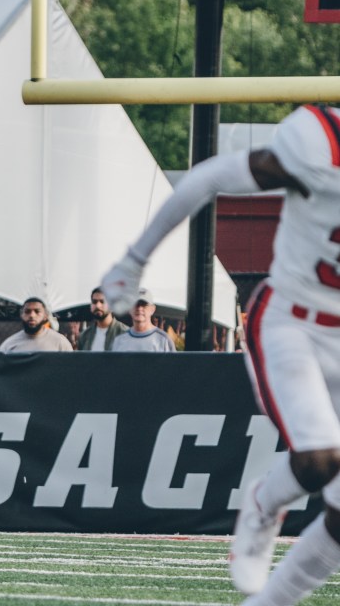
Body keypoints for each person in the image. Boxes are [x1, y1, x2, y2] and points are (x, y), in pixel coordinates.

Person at [101, 104, 340, 604]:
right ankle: (263, 502)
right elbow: (210, 176)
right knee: (321, 459)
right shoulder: (321, 142)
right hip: (292, 322)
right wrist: (133, 261)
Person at [111, 288, 175, 353]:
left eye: (144, 305)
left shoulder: (163, 340)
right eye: (135, 304)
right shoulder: (119, 340)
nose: (139, 308)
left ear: (152, 309)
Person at [0, 297, 73, 352]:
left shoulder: (60, 342)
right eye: (27, 311)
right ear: (21, 315)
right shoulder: (9, 344)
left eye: (37, 311)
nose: (32, 315)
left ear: (45, 316)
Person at [77, 287, 129, 351]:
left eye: (102, 301)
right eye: (94, 302)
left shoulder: (124, 333)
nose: (98, 305)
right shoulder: (84, 336)